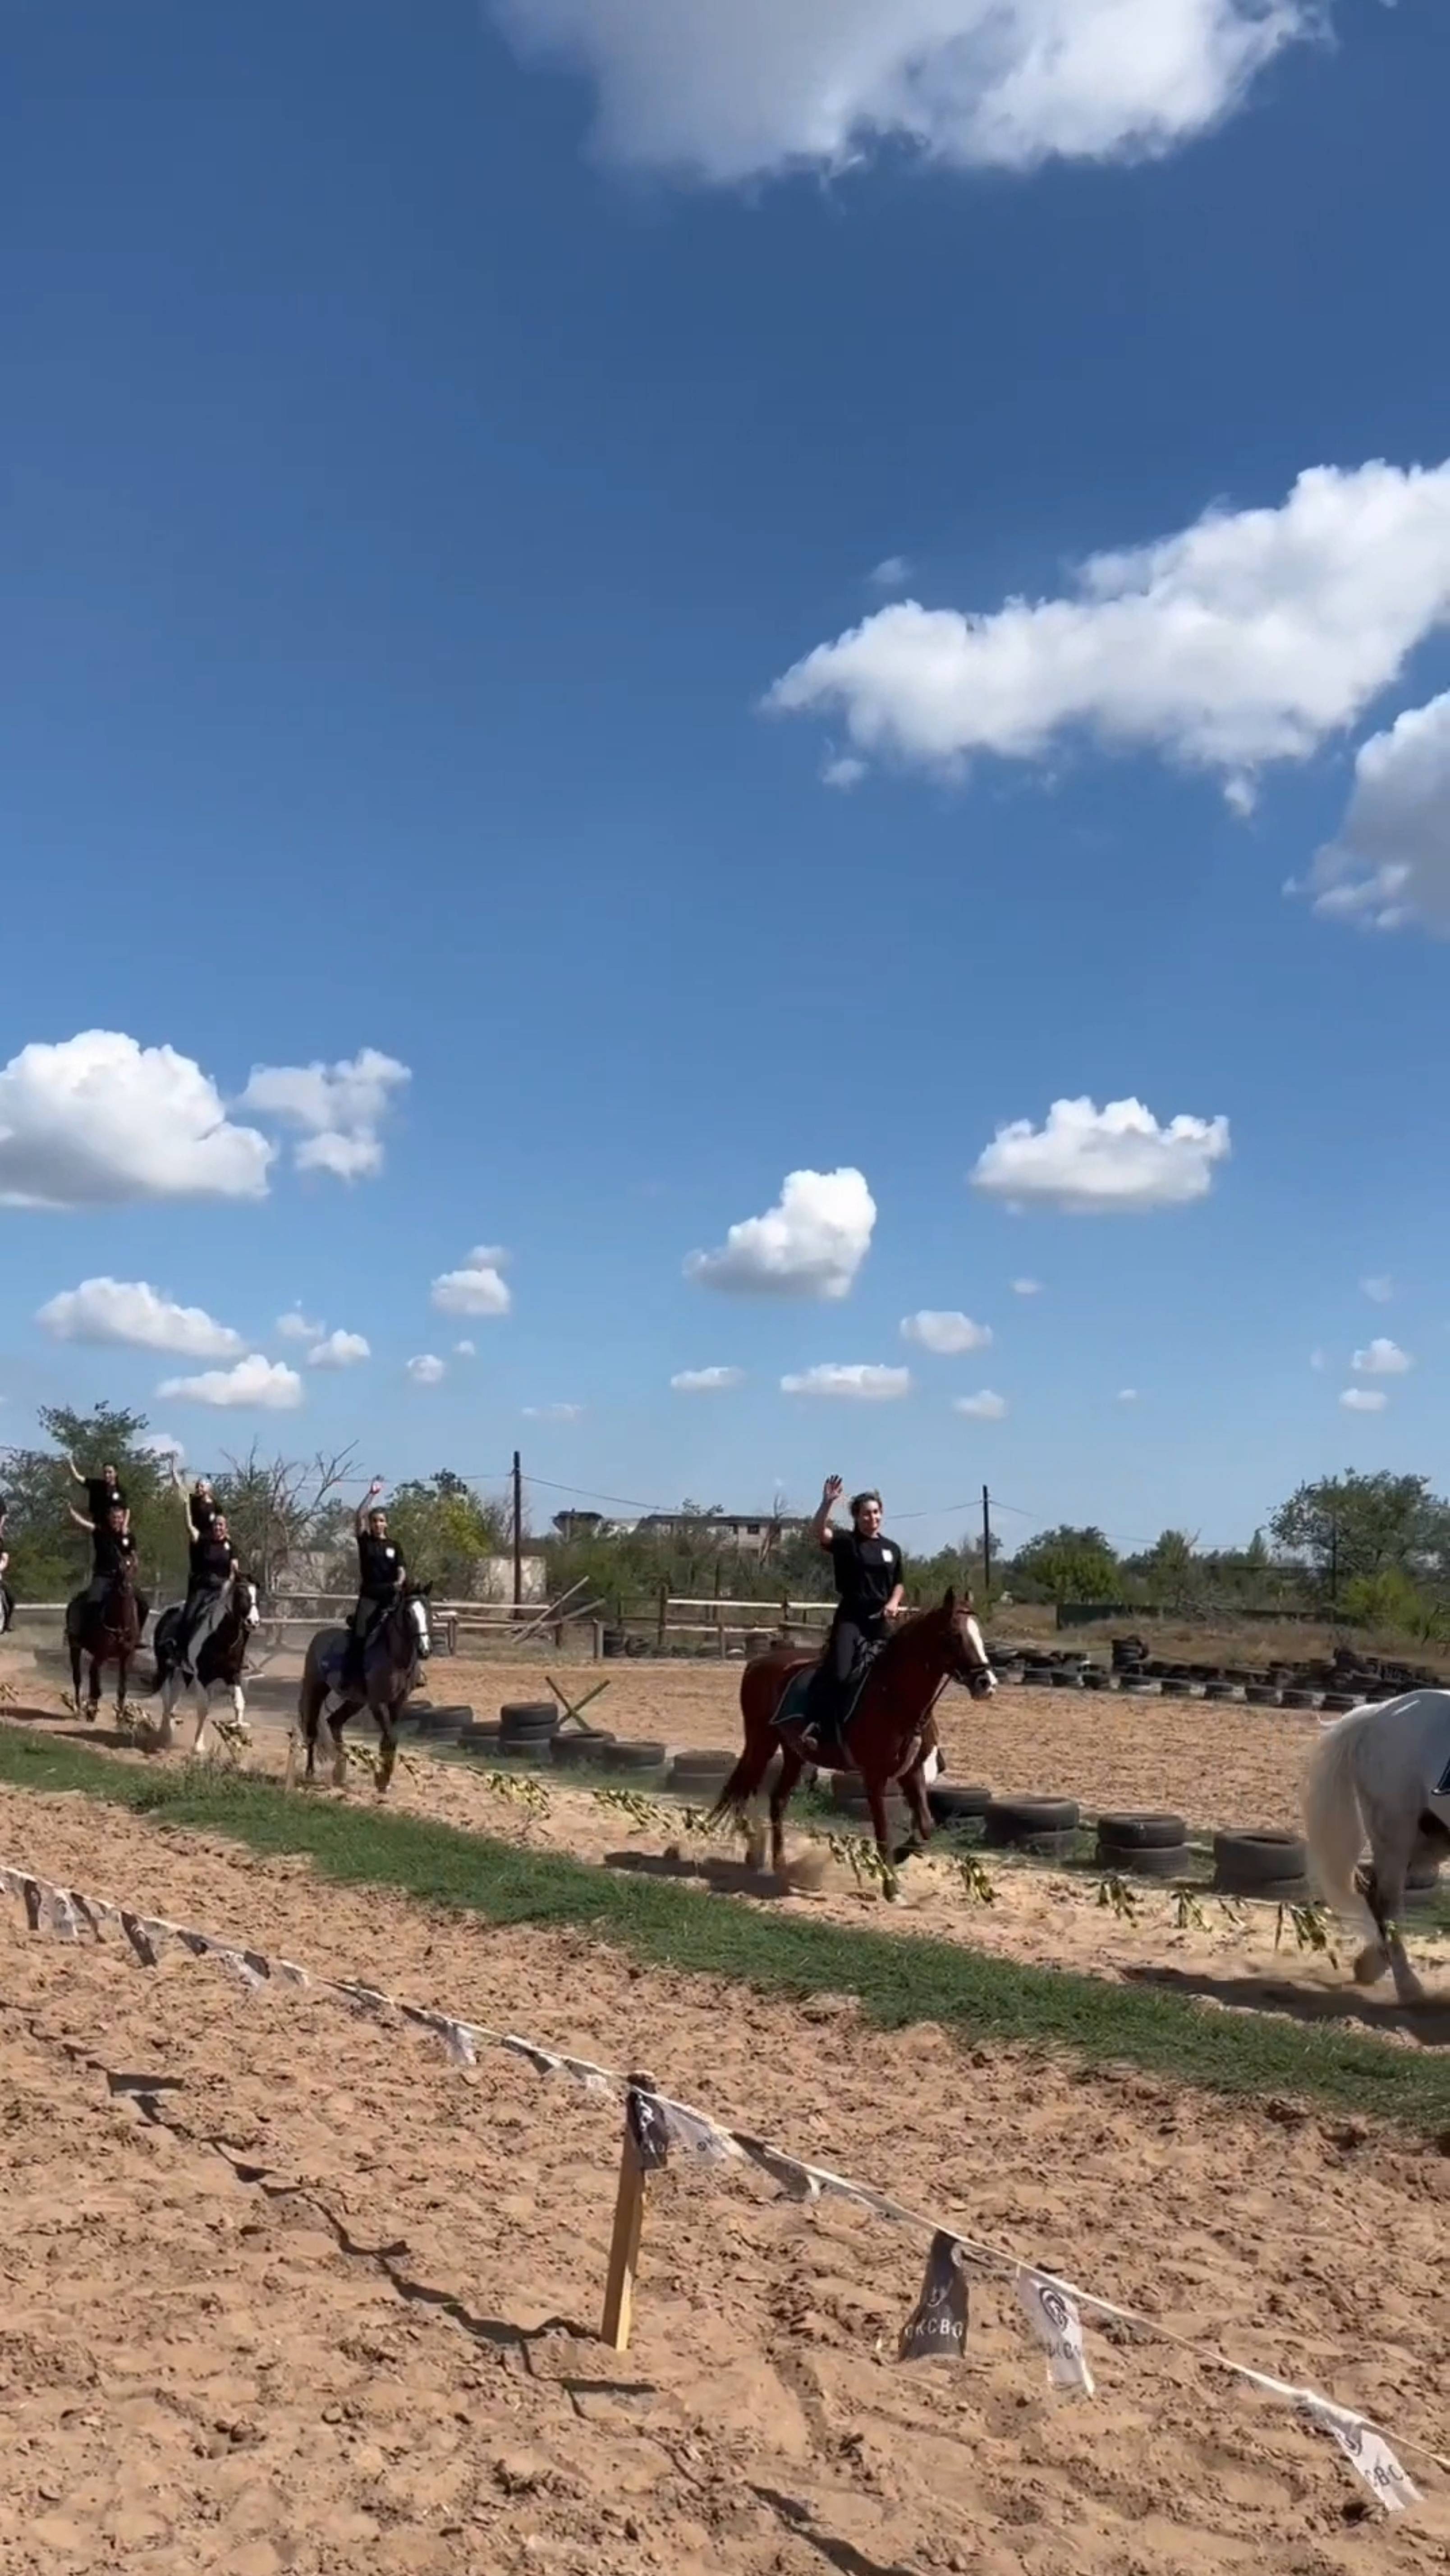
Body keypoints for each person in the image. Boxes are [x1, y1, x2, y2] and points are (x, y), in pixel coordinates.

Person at [803, 1475, 907, 1752]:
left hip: (882, 1620)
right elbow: (818, 1532)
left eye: (875, 1512)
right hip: (852, 1618)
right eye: (865, 1514)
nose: (871, 1518)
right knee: (840, 1672)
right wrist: (827, 1504)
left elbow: (899, 1583)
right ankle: (819, 1724)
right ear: (856, 1517)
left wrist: (894, 1603)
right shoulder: (847, 1542)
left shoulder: (892, 1549)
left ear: (881, 1514)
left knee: (903, 1672)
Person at [171, 1467, 239, 1676]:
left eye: (222, 1526)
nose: (218, 1528)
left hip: (222, 1586)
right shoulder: (203, 1539)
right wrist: (175, 1475)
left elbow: (235, 1568)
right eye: (198, 1486)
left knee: (240, 1615)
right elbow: (189, 1522)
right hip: (203, 1583)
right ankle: (181, 1653)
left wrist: (233, 1583)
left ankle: (238, 1654)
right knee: (190, 1614)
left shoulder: (230, 1543)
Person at [343, 1478, 406, 1688]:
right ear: (371, 1524)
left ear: (387, 1523)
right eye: (375, 1521)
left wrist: (399, 1582)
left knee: (410, 1626)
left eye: (381, 1521)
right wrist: (371, 1494)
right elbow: (359, 1515)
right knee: (360, 1634)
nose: (378, 1524)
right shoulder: (365, 1542)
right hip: (370, 1595)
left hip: (391, 1594)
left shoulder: (395, 1545)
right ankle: (352, 1675)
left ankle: (412, 1671)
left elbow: (402, 1569)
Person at [69, 1496, 147, 1624]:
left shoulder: (128, 1536)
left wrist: (133, 1570)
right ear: (109, 1518)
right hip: (103, 1576)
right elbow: (86, 1525)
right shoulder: (101, 1532)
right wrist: (73, 1514)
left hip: (122, 1578)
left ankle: (136, 1636)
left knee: (144, 1605)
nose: (117, 1521)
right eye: (114, 1518)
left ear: (123, 1519)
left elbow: (134, 1557)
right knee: (93, 1601)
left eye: (119, 1518)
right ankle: (87, 1634)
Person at [67, 1453, 129, 1531]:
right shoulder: (97, 1485)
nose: (107, 1475)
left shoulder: (120, 1490)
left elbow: (127, 1509)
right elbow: (78, 1477)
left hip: (115, 1526)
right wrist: (70, 1464)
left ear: (116, 1473)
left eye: (110, 1472)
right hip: (99, 1524)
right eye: (105, 1473)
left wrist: (124, 1526)